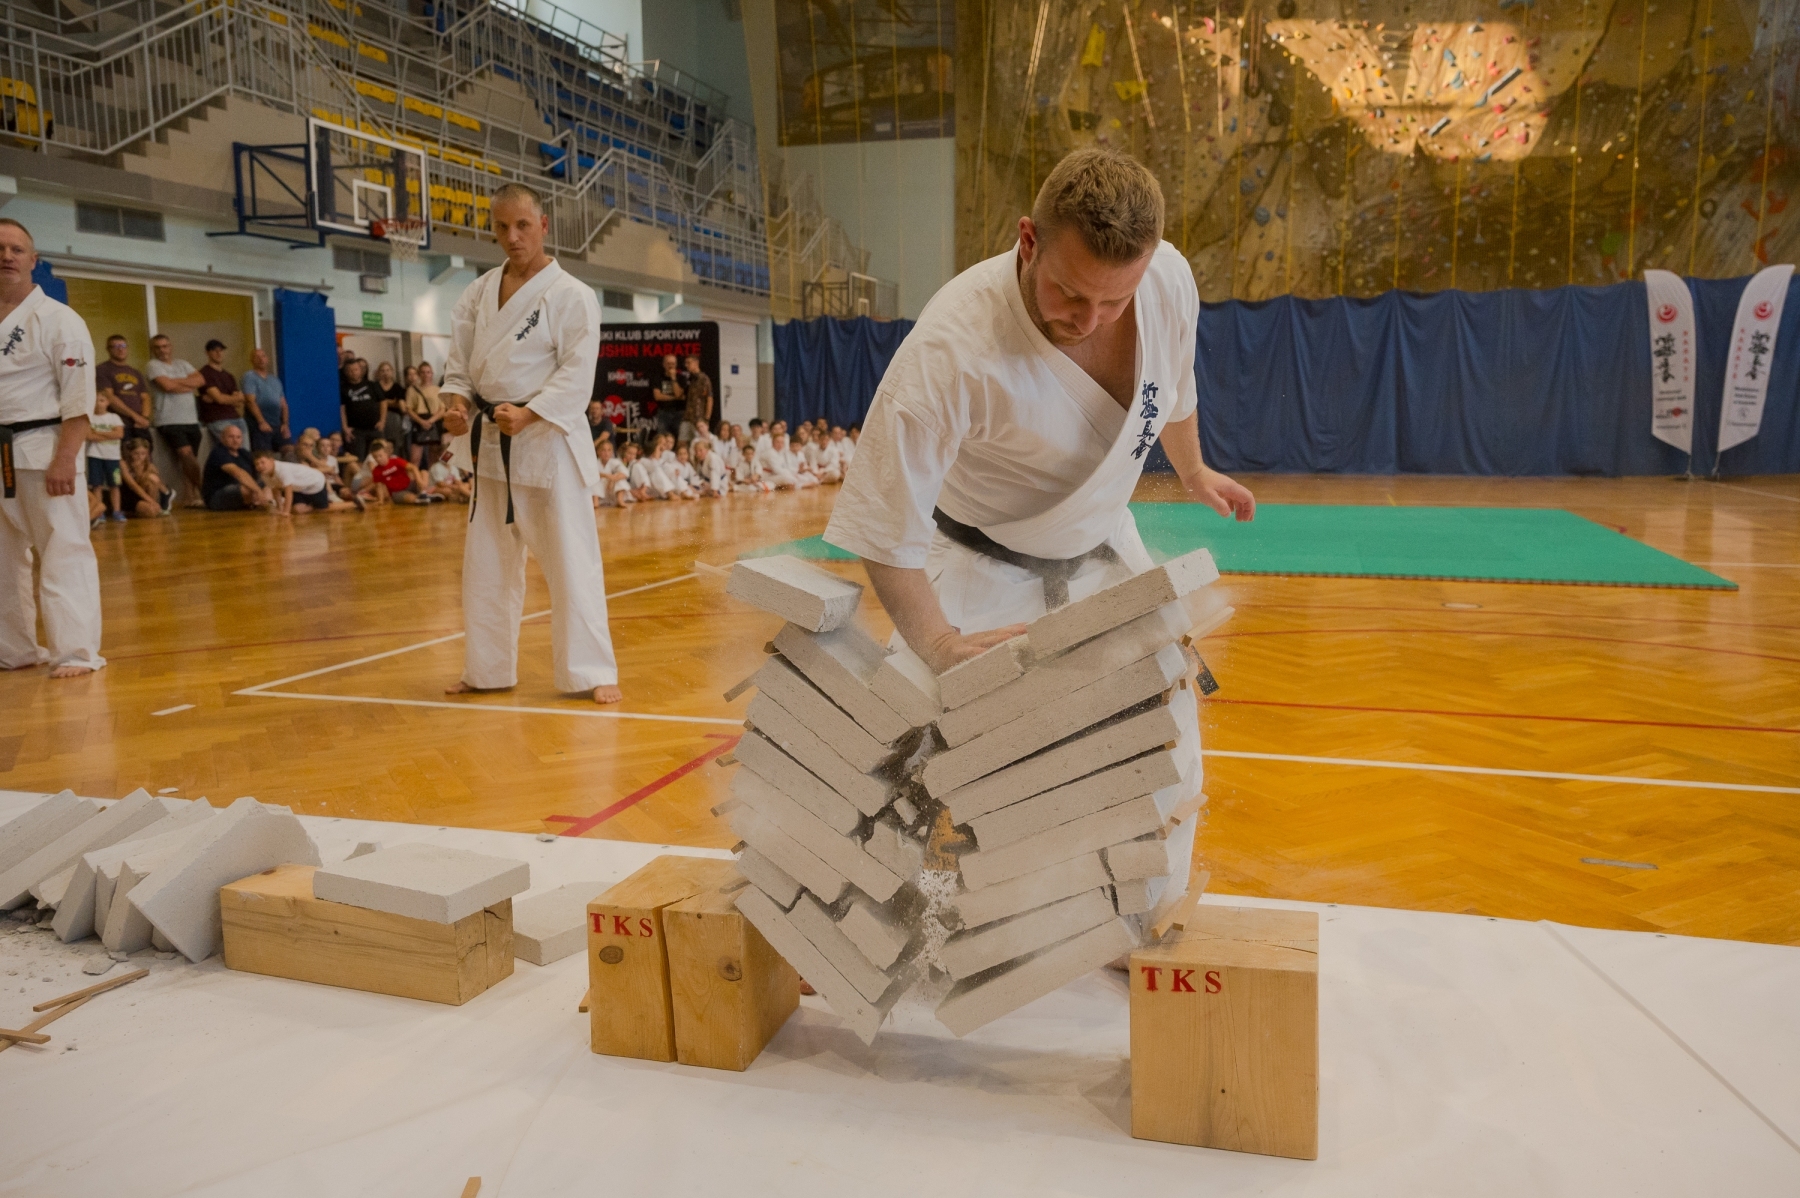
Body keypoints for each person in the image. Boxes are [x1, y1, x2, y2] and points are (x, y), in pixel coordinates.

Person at [823, 151, 1254, 895]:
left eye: (1114, 301)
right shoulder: (950, 349)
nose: (1089, 319)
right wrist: (939, 643)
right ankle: (896, 933)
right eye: (1069, 292)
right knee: (924, 775)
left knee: (1164, 740)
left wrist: (1192, 470)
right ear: (1028, 240)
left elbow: (1173, 386)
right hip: (978, 569)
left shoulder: (1167, 279)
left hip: (1105, 551)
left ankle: (1140, 915)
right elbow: (884, 522)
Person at [439, 182, 620, 705]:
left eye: (522, 225)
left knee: (571, 562)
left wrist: (529, 412)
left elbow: (576, 375)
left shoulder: (571, 294)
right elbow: (459, 366)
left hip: (548, 442)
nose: (512, 236)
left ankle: (590, 672)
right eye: (502, 227)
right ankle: (486, 669)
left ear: (543, 226)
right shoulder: (478, 292)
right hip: (492, 443)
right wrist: (456, 406)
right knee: (487, 564)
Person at [0, 217, 106, 677]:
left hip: (44, 449)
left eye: (16, 249)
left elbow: (79, 398)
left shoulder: (60, 320)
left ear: (34, 260)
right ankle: (14, 649)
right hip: (1, 453)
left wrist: (66, 457)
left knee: (63, 550)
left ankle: (76, 652)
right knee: (3, 560)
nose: (6, 257)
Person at [145, 333, 207, 507]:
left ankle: (189, 497)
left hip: (191, 419)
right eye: (157, 347)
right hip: (169, 420)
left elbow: (200, 380)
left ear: (170, 347)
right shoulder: (153, 365)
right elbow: (167, 386)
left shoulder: (182, 364)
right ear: (153, 350)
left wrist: (176, 383)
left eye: (165, 346)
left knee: (190, 460)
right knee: (186, 455)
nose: (162, 350)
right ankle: (204, 491)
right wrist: (187, 383)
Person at [255, 449, 358, 513]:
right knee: (298, 510)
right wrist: (279, 508)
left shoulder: (282, 470)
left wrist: (286, 512)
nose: (260, 466)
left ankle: (354, 504)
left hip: (315, 483)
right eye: (257, 464)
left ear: (271, 461)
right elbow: (275, 489)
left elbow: (288, 491)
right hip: (300, 488)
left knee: (323, 509)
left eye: (262, 462)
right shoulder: (264, 475)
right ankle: (314, 505)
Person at [201, 421, 273, 511]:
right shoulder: (218, 453)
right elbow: (238, 473)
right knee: (248, 489)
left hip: (240, 489)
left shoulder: (244, 453)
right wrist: (258, 490)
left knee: (267, 482)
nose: (235, 440)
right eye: (231, 437)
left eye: (238, 437)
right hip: (217, 495)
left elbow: (259, 470)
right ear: (222, 438)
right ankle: (262, 503)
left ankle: (268, 504)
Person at [95, 334, 152, 445]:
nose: (120, 349)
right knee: (124, 453)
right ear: (108, 349)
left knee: (145, 453)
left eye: (123, 346)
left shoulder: (135, 372)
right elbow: (109, 396)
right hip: (117, 422)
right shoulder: (102, 370)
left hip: (140, 424)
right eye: (116, 346)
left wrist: (144, 418)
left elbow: (145, 397)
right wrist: (135, 416)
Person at [198, 339, 251, 444]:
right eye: (215, 350)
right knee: (233, 447)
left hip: (236, 417)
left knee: (244, 451)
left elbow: (239, 402)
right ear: (207, 353)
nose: (219, 353)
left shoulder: (228, 376)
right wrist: (227, 398)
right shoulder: (205, 373)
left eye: (221, 350)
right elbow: (220, 399)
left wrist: (221, 398)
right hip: (218, 419)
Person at [85, 391, 125, 526]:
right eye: (96, 400)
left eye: (102, 400)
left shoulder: (114, 417)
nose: (98, 403)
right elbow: (89, 436)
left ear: (108, 402)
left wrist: (98, 433)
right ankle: (99, 511)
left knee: (115, 484)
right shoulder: (90, 418)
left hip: (113, 456)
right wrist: (109, 434)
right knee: (97, 484)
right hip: (95, 455)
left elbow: (119, 434)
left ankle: (117, 511)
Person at [364, 438, 441, 505]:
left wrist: (419, 480)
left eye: (380, 456)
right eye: (375, 457)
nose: (378, 459)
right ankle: (422, 498)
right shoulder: (376, 471)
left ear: (386, 454)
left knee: (424, 472)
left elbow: (413, 467)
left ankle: (424, 493)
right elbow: (379, 486)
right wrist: (380, 500)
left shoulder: (396, 461)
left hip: (409, 485)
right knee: (411, 499)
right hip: (397, 492)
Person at [243, 348, 289, 454]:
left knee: (289, 451)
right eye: (257, 357)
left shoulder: (275, 380)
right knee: (264, 455)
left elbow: (284, 404)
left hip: (277, 424)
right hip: (260, 425)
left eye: (263, 356)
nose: (261, 359)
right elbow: (250, 401)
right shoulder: (249, 377)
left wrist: (285, 424)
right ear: (252, 361)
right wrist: (262, 422)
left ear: (267, 359)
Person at [339, 358, 385, 459]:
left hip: (375, 428)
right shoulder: (343, 389)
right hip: (356, 430)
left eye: (355, 369)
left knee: (378, 457)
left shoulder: (372, 385)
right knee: (358, 458)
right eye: (350, 370)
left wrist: (382, 421)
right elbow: (342, 409)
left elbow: (383, 402)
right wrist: (345, 427)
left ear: (360, 370)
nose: (353, 372)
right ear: (346, 372)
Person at [119, 439, 173, 517]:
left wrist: (152, 502)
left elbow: (156, 482)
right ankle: (128, 512)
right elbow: (133, 486)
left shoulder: (149, 466)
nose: (139, 457)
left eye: (143, 454)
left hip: (142, 496)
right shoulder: (123, 464)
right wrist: (151, 502)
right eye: (136, 453)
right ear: (130, 452)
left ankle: (152, 505)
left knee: (153, 479)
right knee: (150, 511)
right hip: (127, 495)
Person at [407, 361, 444, 469]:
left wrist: (431, 421)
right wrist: (421, 421)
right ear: (419, 374)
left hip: (434, 421)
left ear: (432, 374)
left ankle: (431, 477)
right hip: (419, 421)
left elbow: (442, 409)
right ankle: (415, 478)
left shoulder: (438, 390)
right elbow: (409, 409)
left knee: (434, 456)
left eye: (428, 372)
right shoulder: (412, 389)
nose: (426, 375)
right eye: (423, 372)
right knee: (415, 458)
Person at [680, 354, 713, 444]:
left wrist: (707, 419)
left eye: (689, 363)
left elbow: (709, 399)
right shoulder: (691, 379)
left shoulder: (704, 379)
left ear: (696, 363)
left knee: (700, 443)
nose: (686, 365)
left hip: (699, 418)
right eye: (685, 363)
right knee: (682, 442)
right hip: (687, 417)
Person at [593, 437, 634, 506]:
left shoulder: (615, 462)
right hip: (599, 492)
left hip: (612, 490)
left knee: (621, 480)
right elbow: (592, 475)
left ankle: (620, 500)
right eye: (603, 450)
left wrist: (613, 479)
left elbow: (625, 473)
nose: (606, 453)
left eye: (609, 450)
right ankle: (595, 502)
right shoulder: (595, 463)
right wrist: (606, 475)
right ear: (598, 452)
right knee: (594, 482)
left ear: (612, 452)